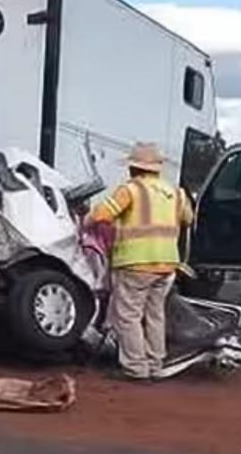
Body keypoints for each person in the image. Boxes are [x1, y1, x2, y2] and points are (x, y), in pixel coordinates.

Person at [85, 143, 193, 382]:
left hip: (135, 263)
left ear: (134, 167)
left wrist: (86, 219)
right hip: (167, 265)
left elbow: (102, 214)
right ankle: (156, 365)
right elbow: (188, 218)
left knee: (129, 316)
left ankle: (136, 368)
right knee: (155, 315)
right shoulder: (176, 192)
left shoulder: (131, 190)